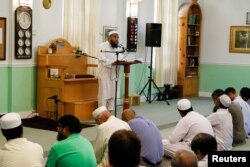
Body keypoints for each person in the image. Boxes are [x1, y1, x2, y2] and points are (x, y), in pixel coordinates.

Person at [97, 30, 124, 111]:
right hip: (105, 73)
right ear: (109, 37)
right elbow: (102, 58)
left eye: (117, 37)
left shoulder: (118, 47)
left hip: (115, 73)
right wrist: (113, 62)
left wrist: (120, 61)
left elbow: (121, 57)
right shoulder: (102, 46)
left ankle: (110, 112)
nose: (116, 39)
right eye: (114, 36)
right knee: (104, 94)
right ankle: (102, 113)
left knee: (113, 94)